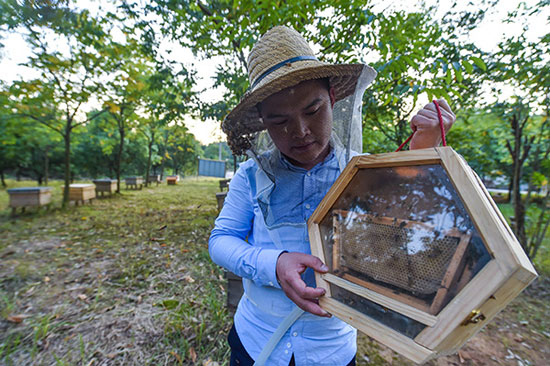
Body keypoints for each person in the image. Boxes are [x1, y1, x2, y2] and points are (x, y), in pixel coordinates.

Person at [209, 26, 456, 366]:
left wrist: (421, 156)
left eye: (313, 111)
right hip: (257, 342)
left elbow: (409, 240)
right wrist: (274, 263)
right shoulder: (250, 177)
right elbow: (221, 240)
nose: (300, 131)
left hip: (332, 351)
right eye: (280, 121)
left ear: (334, 99)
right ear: (263, 123)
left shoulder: (364, 175)